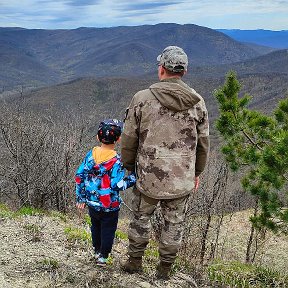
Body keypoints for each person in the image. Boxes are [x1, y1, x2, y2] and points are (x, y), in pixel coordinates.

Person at [120, 46, 209, 279]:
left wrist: (128, 167)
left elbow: (129, 138)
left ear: (161, 69)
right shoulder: (197, 102)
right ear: (184, 71)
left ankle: (134, 263)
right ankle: (164, 270)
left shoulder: (141, 99)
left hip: (148, 176)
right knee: (174, 224)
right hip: (181, 177)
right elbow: (203, 144)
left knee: (140, 219)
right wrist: (196, 173)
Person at [75, 119, 136, 266]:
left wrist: (81, 198)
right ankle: (103, 256)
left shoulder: (91, 155)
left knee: (95, 226)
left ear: (98, 137)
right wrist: (133, 178)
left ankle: (97, 250)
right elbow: (117, 184)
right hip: (109, 205)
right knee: (108, 230)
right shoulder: (116, 161)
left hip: (91, 202)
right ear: (119, 139)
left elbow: (79, 176)